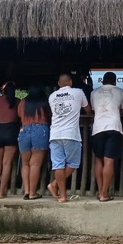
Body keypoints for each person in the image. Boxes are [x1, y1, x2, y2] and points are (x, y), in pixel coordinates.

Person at [47, 73, 91, 203]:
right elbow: (87, 109)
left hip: (54, 134)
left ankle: (62, 195)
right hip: (71, 134)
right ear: (70, 82)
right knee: (73, 164)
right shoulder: (78, 92)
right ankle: (54, 185)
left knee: (58, 165)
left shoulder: (52, 96)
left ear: (59, 84)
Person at [90, 72, 123, 202]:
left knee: (99, 160)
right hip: (114, 127)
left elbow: (94, 110)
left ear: (102, 81)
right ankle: (104, 193)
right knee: (109, 161)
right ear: (115, 81)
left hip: (97, 128)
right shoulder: (120, 91)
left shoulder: (94, 93)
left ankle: (100, 191)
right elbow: (122, 110)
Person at [0, 81, 20, 199]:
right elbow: (20, 115)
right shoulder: (17, 101)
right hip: (11, 130)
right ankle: (2, 192)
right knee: (6, 164)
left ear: (3, 90)